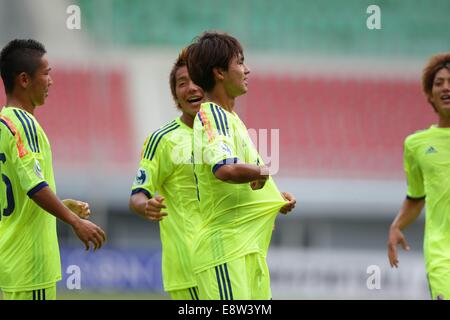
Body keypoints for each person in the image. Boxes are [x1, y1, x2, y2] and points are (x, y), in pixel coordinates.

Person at [186, 31, 296, 300]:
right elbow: (225, 169)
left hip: (248, 251)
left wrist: (272, 198)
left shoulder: (233, 120)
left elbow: (242, 181)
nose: (247, 70)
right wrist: (263, 170)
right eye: (240, 62)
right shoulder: (211, 115)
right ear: (219, 73)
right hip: (225, 251)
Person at [0, 39, 106, 300]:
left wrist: (61, 205)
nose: (51, 81)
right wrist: (75, 222)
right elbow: (35, 187)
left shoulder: (4, 123)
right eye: (46, 74)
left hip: (12, 257)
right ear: (24, 79)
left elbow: (18, 190)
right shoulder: (25, 125)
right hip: (31, 262)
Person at [129, 48, 204, 300]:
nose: (191, 88)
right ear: (176, 96)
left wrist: (271, 194)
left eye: (197, 80)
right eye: (183, 83)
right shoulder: (162, 140)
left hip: (227, 261)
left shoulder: (228, 134)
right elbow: (138, 194)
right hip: (188, 268)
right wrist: (145, 205)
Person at [388, 52, 450, 300]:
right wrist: (397, 225)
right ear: (429, 95)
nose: (446, 87)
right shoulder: (416, 145)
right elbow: (416, 197)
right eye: (439, 83)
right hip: (441, 256)